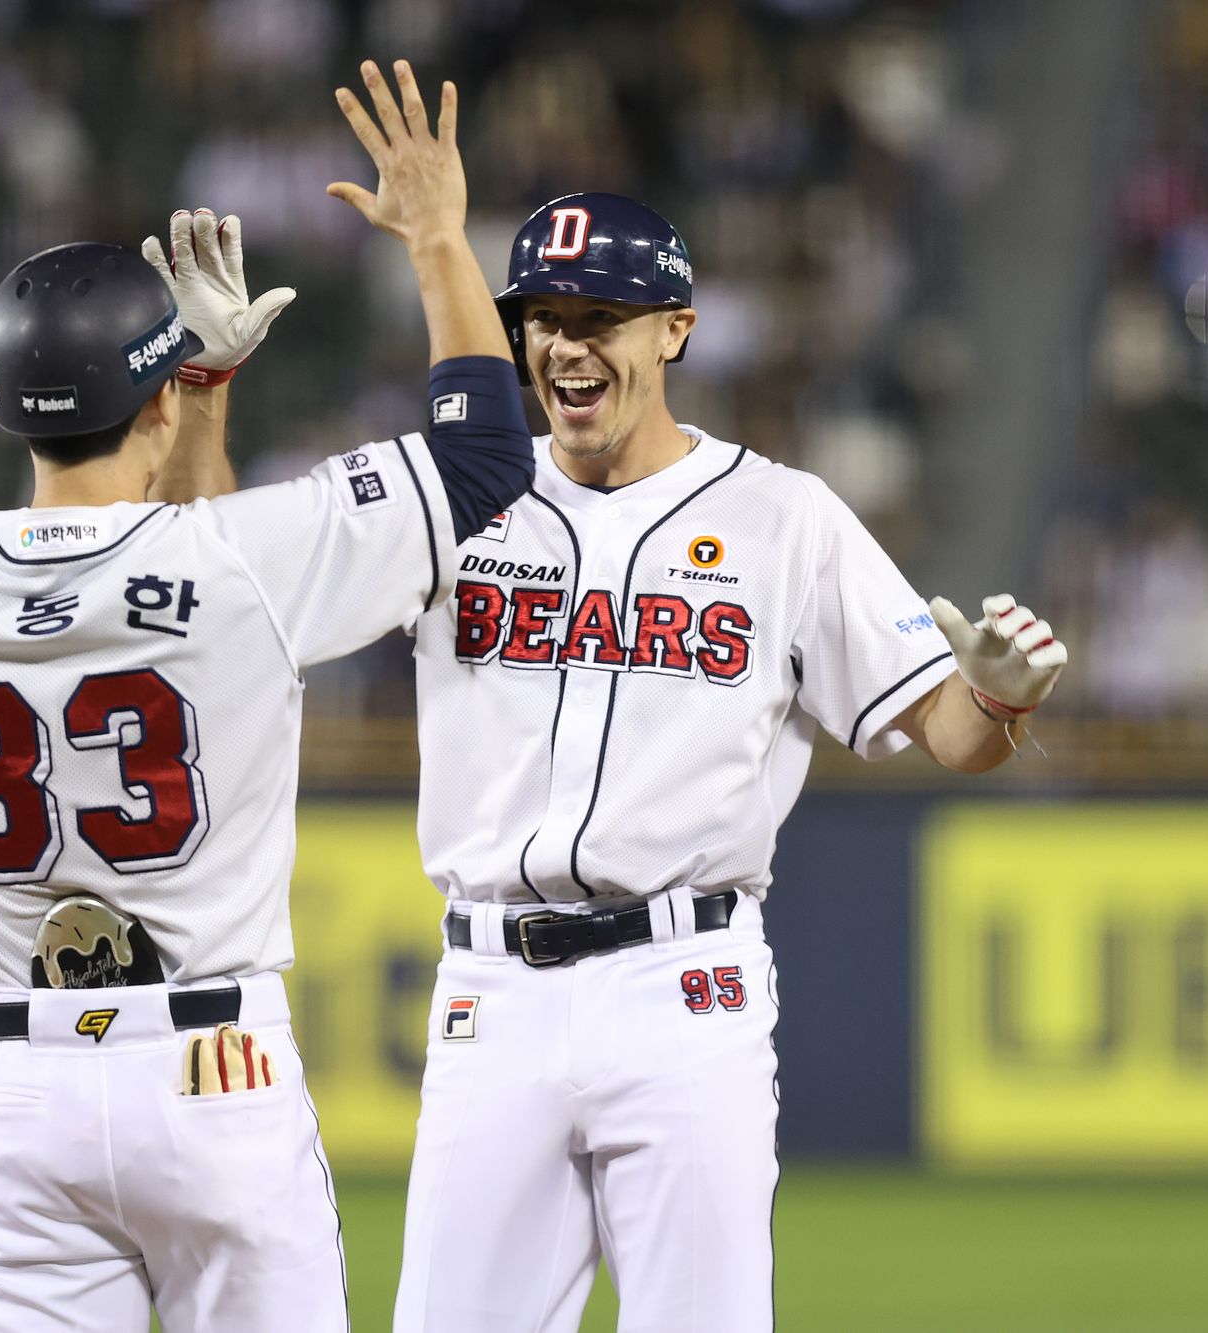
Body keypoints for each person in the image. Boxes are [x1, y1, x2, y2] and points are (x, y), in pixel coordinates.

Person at [0, 63, 530, 1332]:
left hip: (15, 1090)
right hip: (214, 1070)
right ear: (160, 395)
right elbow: (486, 451)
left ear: (3, 406)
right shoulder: (240, 563)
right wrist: (437, 233)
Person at [378, 194, 1071, 1331]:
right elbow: (235, 585)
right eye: (542, 315)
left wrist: (995, 691)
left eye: (600, 313)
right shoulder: (459, 498)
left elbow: (948, 733)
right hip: (487, 987)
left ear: (674, 330)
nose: (564, 342)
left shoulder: (782, 517)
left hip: (680, 984)